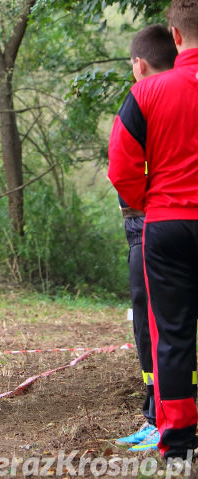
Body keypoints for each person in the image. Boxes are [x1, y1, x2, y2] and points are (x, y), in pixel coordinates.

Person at [108, 0, 198, 461]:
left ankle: (178, 442)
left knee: (172, 333)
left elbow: (121, 170)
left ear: (175, 35)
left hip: (167, 225)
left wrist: (152, 202)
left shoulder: (146, 93)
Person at [113, 24, 177, 453]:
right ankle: (155, 413)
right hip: (157, 222)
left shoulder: (148, 97)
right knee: (154, 326)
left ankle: (163, 421)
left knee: (159, 327)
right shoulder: (161, 98)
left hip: (155, 224)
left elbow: (120, 169)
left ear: (139, 63)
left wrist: (143, 203)